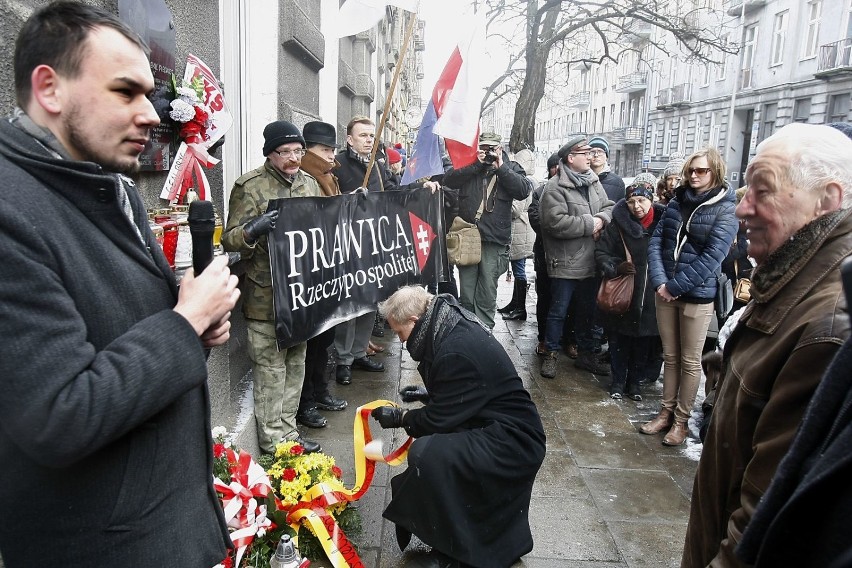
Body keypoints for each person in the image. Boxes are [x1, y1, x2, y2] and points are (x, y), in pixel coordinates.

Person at [0, 3, 240, 565]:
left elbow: (121, 332)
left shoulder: (111, 187)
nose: (151, 114)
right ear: (49, 89)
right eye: (125, 92)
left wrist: (192, 324)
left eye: (150, 94)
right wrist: (184, 323)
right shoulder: (10, 212)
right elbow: (60, 413)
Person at [682, 123, 852, 567]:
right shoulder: (791, 274)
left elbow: (759, 524)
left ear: (827, 200)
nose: (742, 209)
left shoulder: (827, 325)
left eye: (763, 191)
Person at [371, 286, 546, 568]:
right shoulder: (446, 320)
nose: (401, 342)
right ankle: (450, 536)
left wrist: (402, 418)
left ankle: (457, 550)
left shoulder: (455, 350)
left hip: (514, 441)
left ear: (415, 321)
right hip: (496, 424)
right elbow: (470, 390)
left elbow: (439, 420)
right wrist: (431, 394)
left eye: (400, 333)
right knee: (435, 452)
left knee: (427, 454)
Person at [222, 120, 323, 455]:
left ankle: (289, 436)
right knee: (269, 370)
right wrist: (253, 229)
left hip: (301, 295)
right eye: (286, 152)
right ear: (270, 153)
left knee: (296, 365)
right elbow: (230, 237)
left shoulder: (309, 183)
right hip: (266, 296)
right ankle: (271, 444)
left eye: (299, 150)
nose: (294, 158)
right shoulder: (249, 186)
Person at [641, 146, 737, 446]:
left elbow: (713, 257)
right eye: (691, 170)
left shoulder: (725, 207)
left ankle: (681, 421)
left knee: (690, 360)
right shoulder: (676, 201)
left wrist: (674, 285)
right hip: (665, 290)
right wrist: (659, 280)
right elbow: (657, 240)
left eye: (702, 170)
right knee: (670, 356)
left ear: (715, 172)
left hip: (696, 294)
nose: (694, 175)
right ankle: (665, 413)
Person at [539, 135, 615, 379]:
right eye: (586, 153)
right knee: (558, 311)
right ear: (571, 158)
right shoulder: (554, 187)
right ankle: (550, 354)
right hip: (566, 262)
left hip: (591, 261)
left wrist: (601, 221)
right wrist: (589, 224)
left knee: (588, 311)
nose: (591, 157)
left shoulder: (593, 181)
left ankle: (586, 356)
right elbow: (554, 223)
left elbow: (609, 207)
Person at [443, 132, 532, 328]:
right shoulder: (470, 165)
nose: (488, 152)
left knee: (487, 292)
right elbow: (448, 180)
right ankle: (467, 331)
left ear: (500, 148)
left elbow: (523, 190)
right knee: (466, 292)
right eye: (484, 148)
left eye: (492, 148)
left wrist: (501, 168)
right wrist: (476, 164)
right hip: (468, 238)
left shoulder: (511, 167)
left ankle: (484, 334)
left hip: (494, 241)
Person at [294, 120, 348, 430]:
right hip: (310, 272)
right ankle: (306, 402)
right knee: (311, 341)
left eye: (332, 149)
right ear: (310, 149)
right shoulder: (306, 177)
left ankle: (318, 390)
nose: (330, 155)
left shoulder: (328, 175)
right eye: (325, 149)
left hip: (330, 267)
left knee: (324, 337)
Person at [595, 173, 665, 401]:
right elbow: (602, 253)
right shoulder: (618, 226)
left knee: (643, 343)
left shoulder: (662, 225)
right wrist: (617, 267)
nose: (637, 206)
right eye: (632, 202)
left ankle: (634, 384)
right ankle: (617, 382)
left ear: (651, 199)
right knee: (619, 341)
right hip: (624, 296)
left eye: (642, 200)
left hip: (651, 296)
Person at [498, 148, 537, 321]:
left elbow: (515, 210)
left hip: (520, 233)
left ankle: (520, 308)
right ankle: (515, 304)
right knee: (517, 270)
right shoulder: (528, 179)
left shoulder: (525, 182)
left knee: (519, 271)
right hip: (520, 232)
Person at [529, 152, 560, 354]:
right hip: (545, 253)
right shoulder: (540, 191)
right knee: (545, 297)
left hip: (570, 257)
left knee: (566, 300)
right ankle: (543, 339)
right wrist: (556, 229)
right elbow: (534, 216)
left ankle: (566, 339)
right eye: (553, 166)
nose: (557, 170)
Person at [588, 136, 625, 203]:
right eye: (592, 152)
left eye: (600, 151)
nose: (596, 155)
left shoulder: (617, 182)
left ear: (606, 156)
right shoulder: (581, 178)